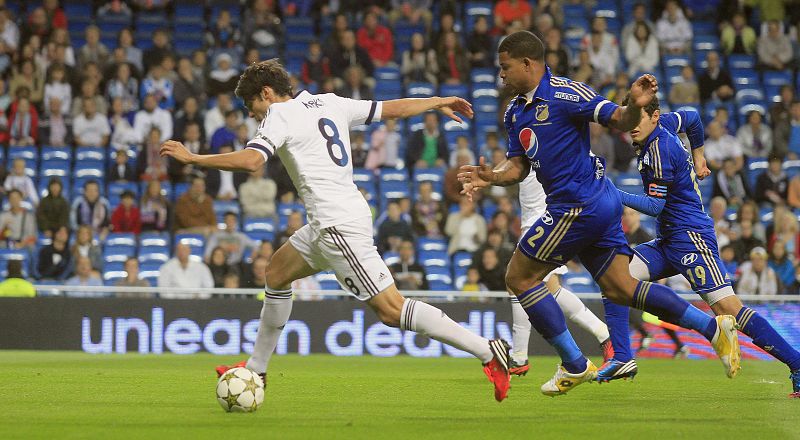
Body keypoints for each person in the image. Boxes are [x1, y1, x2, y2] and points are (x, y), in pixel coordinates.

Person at [160, 59, 513, 401]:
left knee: (391, 310)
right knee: (277, 272)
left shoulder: (278, 115)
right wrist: (435, 101)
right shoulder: (328, 102)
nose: (253, 115)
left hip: (336, 226)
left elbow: (253, 162)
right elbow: (389, 108)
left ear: (266, 93)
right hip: (330, 220)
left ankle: (488, 351)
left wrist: (194, 159)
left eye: (252, 106)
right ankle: (257, 369)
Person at [458, 31, 739, 396]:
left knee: (519, 277)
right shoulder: (515, 112)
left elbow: (620, 119)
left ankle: (574, 364)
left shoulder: (566, 93)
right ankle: (713, 329)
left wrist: (637, 105)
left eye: (505, 67)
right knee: (621, 287)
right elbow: (518, 167)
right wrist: (490, 177)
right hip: (597, 205)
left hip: (577, 205)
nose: (501, 75)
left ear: (528, 64)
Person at [613, 95, 800, 396]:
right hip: (669, 239)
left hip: (691, 238)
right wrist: (699, 155)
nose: (631, 125)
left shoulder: (659, 148)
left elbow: (654, 205)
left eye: (637, 118)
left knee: (729, 308)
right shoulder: (664, 126)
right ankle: (621, 356)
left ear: (654, 116)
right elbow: (691, 116)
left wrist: (612, 192)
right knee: (617, 277)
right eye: (628, 118)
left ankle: (797, 363)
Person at [506, 164, 613, 376]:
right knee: (551, 290)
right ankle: (605, 334)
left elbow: (513, 169)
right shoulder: (551, 144)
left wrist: (490, 177)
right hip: (546, 219)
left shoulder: (540, 140)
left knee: (516, 283)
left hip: (540, 221)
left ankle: (519, 357)